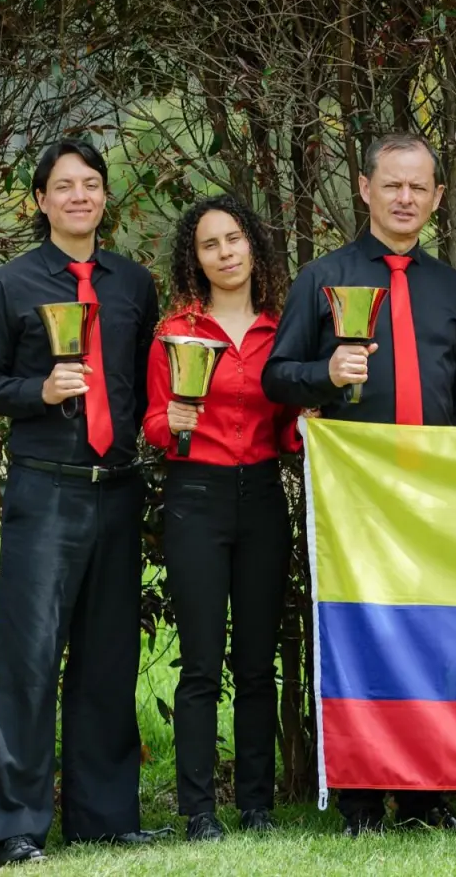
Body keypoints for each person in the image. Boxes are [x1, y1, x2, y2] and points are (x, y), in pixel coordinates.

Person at [263, 132, 456, 835]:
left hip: (435, 497)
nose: (405, 198)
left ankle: (425, 798)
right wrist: (325, 374)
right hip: (355, 499)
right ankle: (361, 800)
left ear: (438, 197)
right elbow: (275, 375)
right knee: (361, 643)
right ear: (364, 189)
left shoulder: (448, 285)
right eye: (392, 185)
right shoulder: (322, 276)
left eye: (419, 187)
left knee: (434, 643)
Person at [0, 139, 162, 865]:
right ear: (41, 200)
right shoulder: (11, 285)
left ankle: (104, 818)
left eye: (91, 184)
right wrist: (39, 392)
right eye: (63, 186)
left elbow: (143, 385)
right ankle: (16, 824)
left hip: (116, 488)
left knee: (108, 657)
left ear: (104, 197)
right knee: (29, 658)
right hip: (44, 487)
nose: (79, 196)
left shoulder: (133, 285)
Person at [144, 196, 299, 841]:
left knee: (259, 660)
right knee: (203, 662)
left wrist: (307, 430)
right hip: (195, 498)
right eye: (211, 244)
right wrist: (170, 425)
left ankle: (258, 805)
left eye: (235, 239)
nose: (226, 252)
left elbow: (290, 424)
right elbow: (151, 420)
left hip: (264, 498)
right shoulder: (174, 333)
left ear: (253, 246)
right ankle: (199, 809)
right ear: (196, 257)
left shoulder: (282, 330)